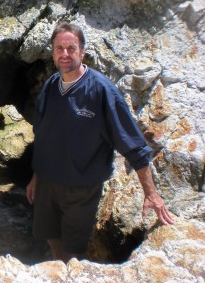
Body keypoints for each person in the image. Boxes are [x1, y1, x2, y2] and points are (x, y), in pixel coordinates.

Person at [26, 22, 174, 263]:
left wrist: (151, 194)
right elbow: (42, 136)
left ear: (82, 52)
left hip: (81, 188)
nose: (65, 54)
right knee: (50, 236)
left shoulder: (102, 91)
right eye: (59, 48)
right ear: (53, 52)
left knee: (74, 250)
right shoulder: (51, 86)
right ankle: (59, 272)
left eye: (71, 48)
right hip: (46, 184)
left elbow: (133, 145)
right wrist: (35, 176)